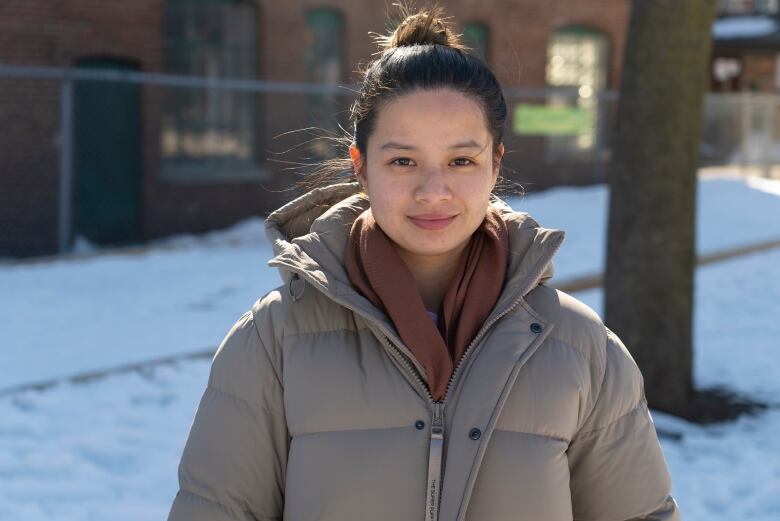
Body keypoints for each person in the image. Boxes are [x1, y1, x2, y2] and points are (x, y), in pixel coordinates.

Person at [167, 6, 679, 521]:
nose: (433, 191)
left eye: (461, 160)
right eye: (402, 161)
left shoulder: (579, 348)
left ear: (495, 164)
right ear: (361, 168)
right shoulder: (273, 342)